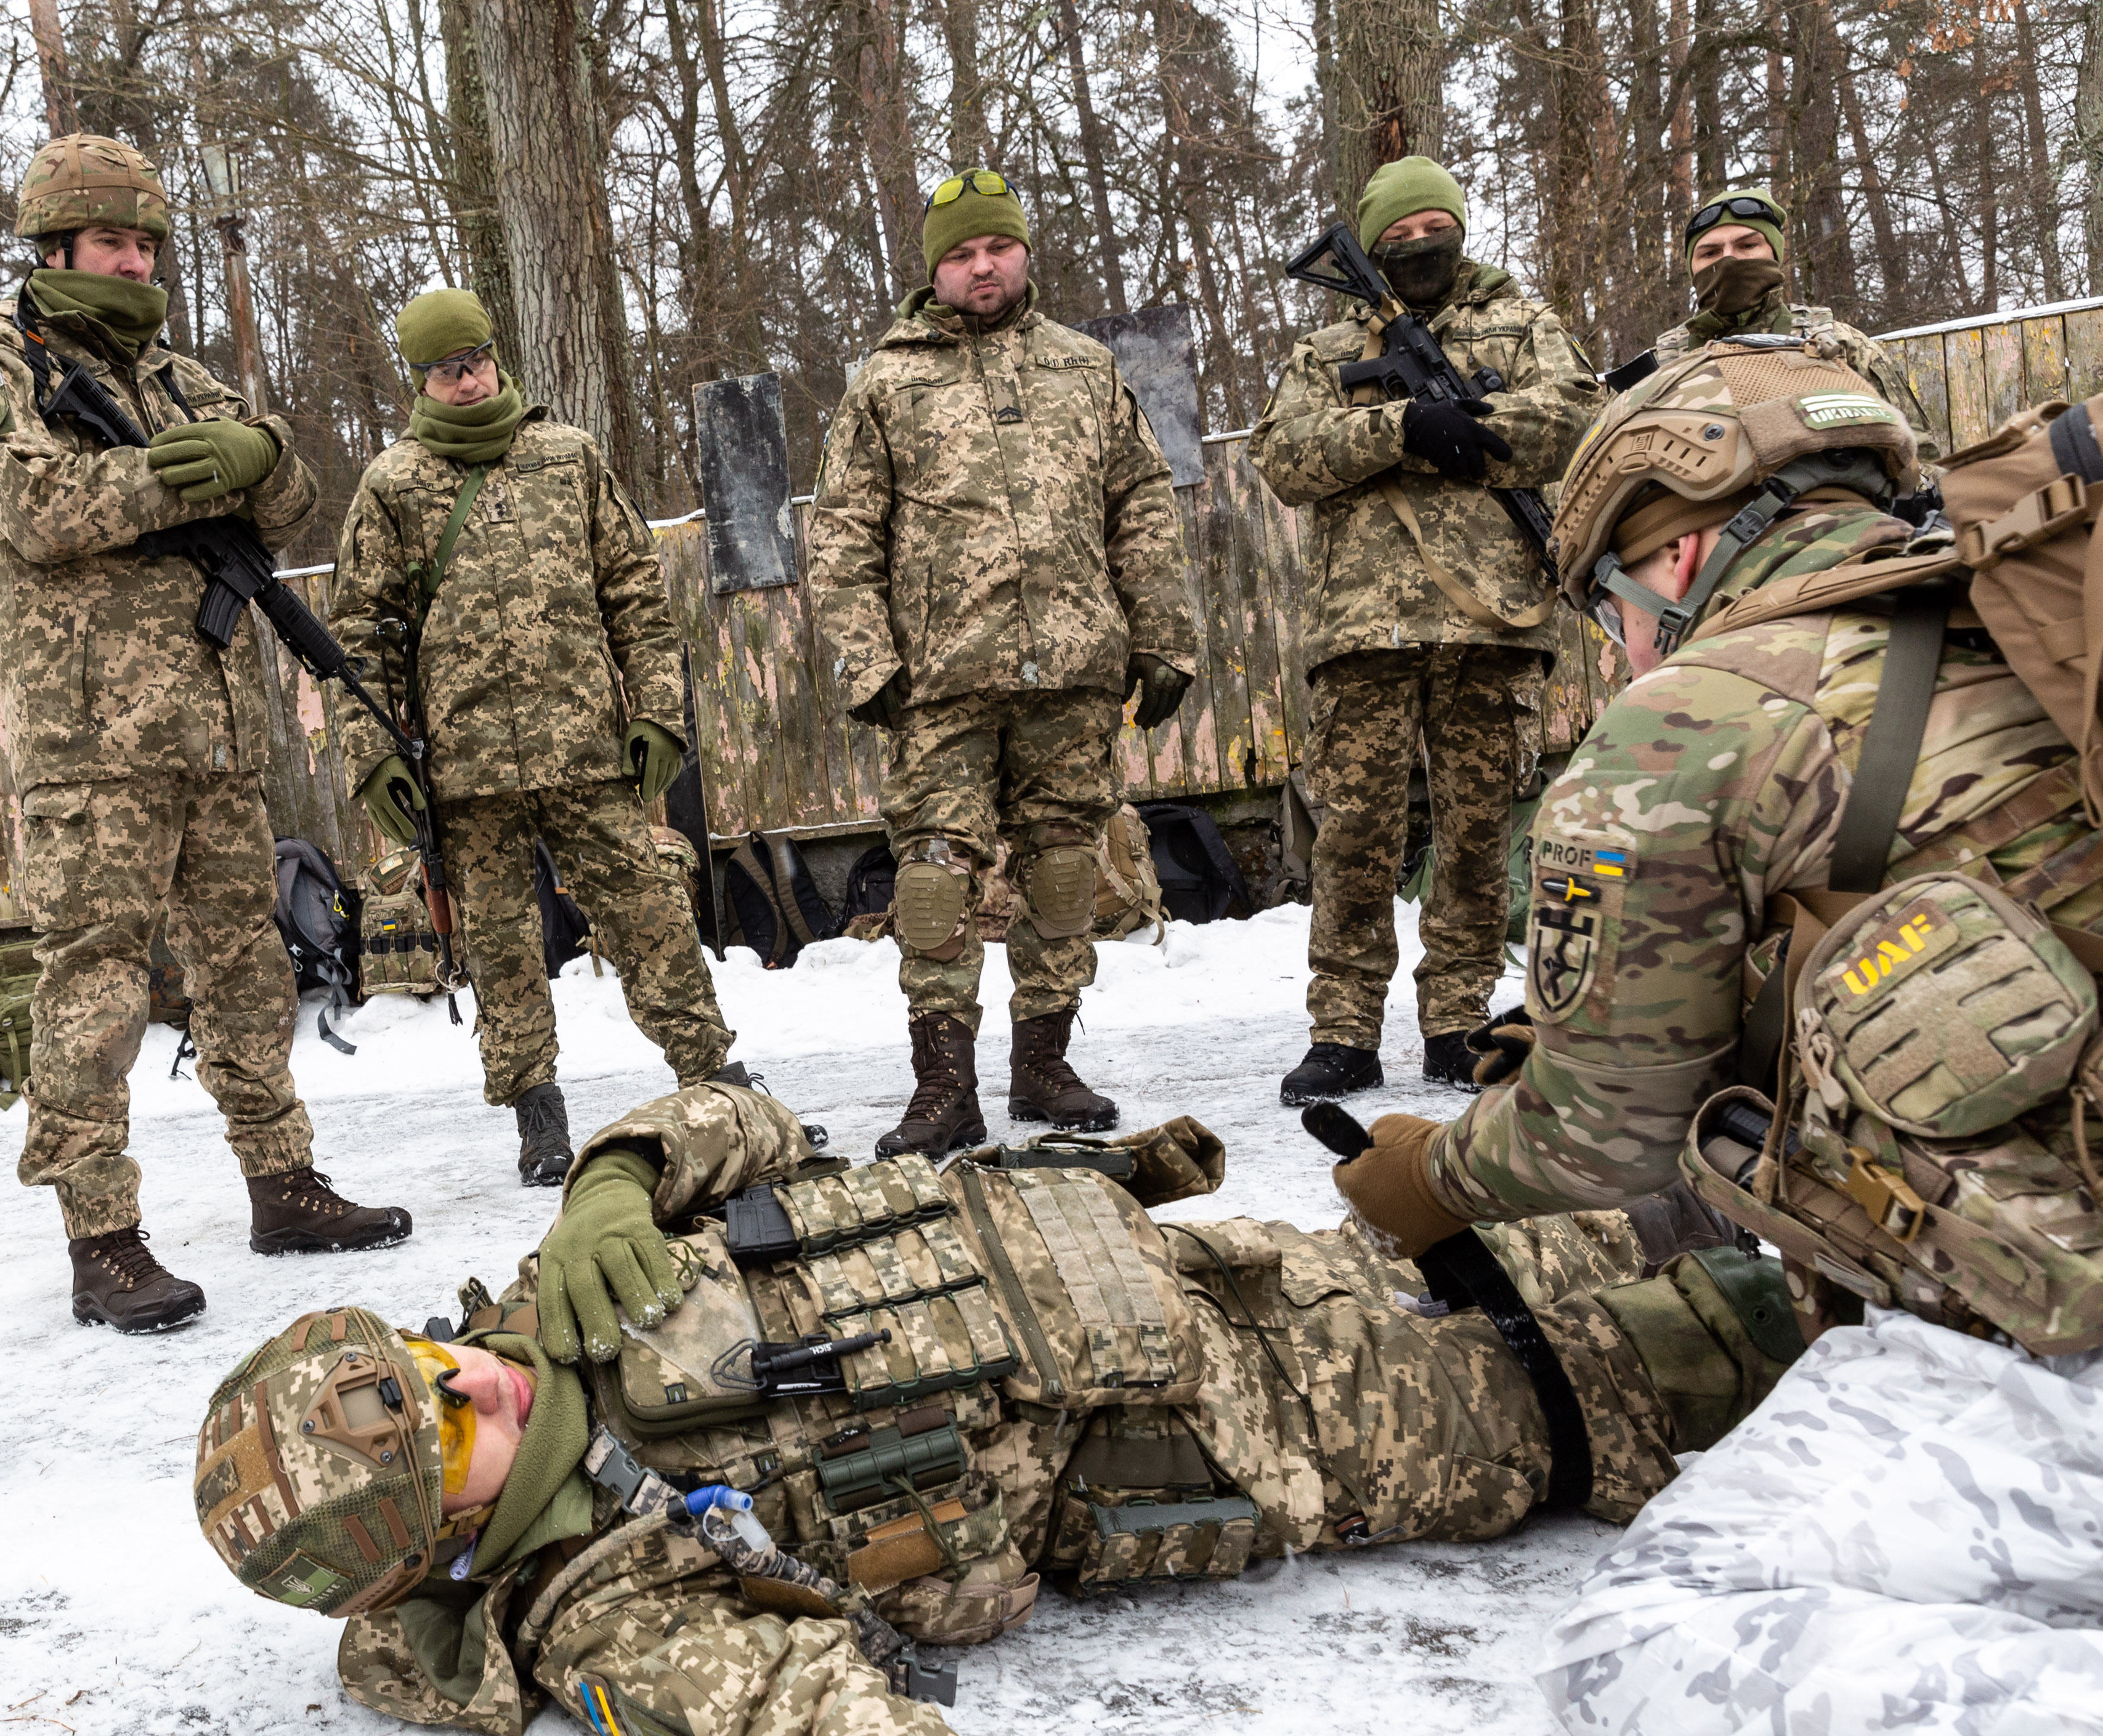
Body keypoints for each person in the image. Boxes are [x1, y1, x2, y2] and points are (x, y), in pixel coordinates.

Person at [190, 1076, 1796, 1736]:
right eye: (434, 1431)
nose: (466, 1380)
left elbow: (758, 1121)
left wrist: (626, 1160)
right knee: (1730, 1344)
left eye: (414, 1360)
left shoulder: (571, 1283)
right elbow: (812, 1722)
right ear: (438, 1536)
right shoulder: (614, 1592)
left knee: (1713, 1201)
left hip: (1213, 1263)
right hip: (1298, 1436)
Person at [1331, 341, 2103, 1736]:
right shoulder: (2043, 623)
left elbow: (1604, 1124)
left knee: (1657, 1643)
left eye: (1607, 599)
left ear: (1678, 550)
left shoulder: (1698, 713)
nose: (1614, 638)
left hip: (2055, 1366)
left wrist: (1436, 1171)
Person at [0, 134, 409, 1334]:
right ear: (54, 247)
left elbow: (290, 486)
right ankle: (102, 1236)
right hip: (92, 739)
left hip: (215, 729)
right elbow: (27, 506)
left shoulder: (175, 378)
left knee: (248, 964)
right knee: (94, 983)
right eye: (111, 243)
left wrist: (257, 456)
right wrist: (185, 486)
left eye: (147, 244)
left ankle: (282, 1181)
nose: (134, 263)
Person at [809, 166, 1196, 1160]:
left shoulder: (1083, 368)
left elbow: (1142, 504)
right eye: (961, 253)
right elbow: (842, 536)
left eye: (997, 247)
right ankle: (944, 1087)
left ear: (1024, 252)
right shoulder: (886, 383)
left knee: (1067, 871)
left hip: (1072, 669)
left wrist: (1164, 635)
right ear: (934, 269)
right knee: (935, 883)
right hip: (939, 683)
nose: (982, 266)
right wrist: (870, 660)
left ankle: (1044, 1063)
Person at [329, 288, 739, 1185]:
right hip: (465, 771)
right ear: (421, 381)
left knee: (652, 915)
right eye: (447, 370)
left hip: (588, 750)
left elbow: (636, 591)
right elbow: (357, 637)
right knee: (502, 947)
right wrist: (374, 758)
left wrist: (660, 711)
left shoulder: (568, 456)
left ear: (496, 354)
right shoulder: (392, 486)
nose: (468, 380)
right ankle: (537, 1115)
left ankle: (716, 1076)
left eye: (476, 359)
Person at [1248, 155, 1600, 1105]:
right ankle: (1343, 1031)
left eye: (1432, 226)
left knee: (1479, 834)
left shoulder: (1524, 323)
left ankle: (1456, 1019)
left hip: (1491, 620)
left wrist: (1472, 420)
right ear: (1369, 246)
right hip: (1363, 628)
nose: (1417, 244)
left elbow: (1578, 419)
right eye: (1395, 236)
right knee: (1354, 835)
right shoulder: (1326, 351)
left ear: (1461, 227)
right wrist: (1403, 427)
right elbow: (1282, 455)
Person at [1650, 187, 1940, 467]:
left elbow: (1919, 456)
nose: (1729, 260)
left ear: (1774, 254)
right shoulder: (1660, 365)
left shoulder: (1839, 344)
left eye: (1748, 245)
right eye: (1711, 253)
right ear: (1692, 268)